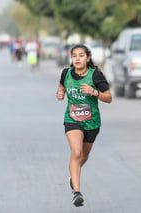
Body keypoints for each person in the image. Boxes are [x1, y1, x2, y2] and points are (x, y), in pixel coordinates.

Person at [56, 44, 112, 207]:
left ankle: (73, 176)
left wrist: (94, 92)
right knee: (76, 152)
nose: (77, 59)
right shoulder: (66, 73)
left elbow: (108, 97)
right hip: (72, 119)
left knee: (83, 157)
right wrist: (60, 92)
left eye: (81, 56)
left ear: (87, 58)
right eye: (74, 56)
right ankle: (77, 192)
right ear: (71, 59)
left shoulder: (96, 76)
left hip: (92, 122)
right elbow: (61, 86)